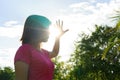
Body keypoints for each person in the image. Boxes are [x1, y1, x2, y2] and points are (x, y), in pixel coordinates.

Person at [14, 15, 68, 80]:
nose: (49, 33)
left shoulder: (43, 52)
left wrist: (58, 37)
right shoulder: (25, 50)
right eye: (46, 30)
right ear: (36, 31)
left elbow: (55, 52)